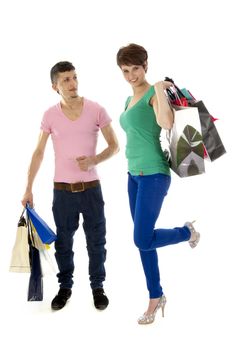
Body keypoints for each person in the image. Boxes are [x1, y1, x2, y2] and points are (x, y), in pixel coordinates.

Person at [21, 61, 119, 311]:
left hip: (91, 190)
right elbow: (39, 152)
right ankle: (65, 287)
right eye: (66, 79)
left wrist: (94, 160)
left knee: (97, 241)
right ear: (55, 86)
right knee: (64, 243)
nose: (73, 83)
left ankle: (98, 286)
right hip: (62, 192)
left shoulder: (96, 109)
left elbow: (114, 146)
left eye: (74, 77)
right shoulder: (49, 115)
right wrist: (28, 187)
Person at [116, 43, 200, 325]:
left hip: (154, 175)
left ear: (145, 66)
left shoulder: (153, 93)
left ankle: (185, 232)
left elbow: (165, 123)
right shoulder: (128, 100)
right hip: (133, 177)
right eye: (125, 71)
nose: (131, 76)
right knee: (145, 242)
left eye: (135, 69)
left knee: (141, 237)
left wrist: (160, 90)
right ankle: (156, 296)